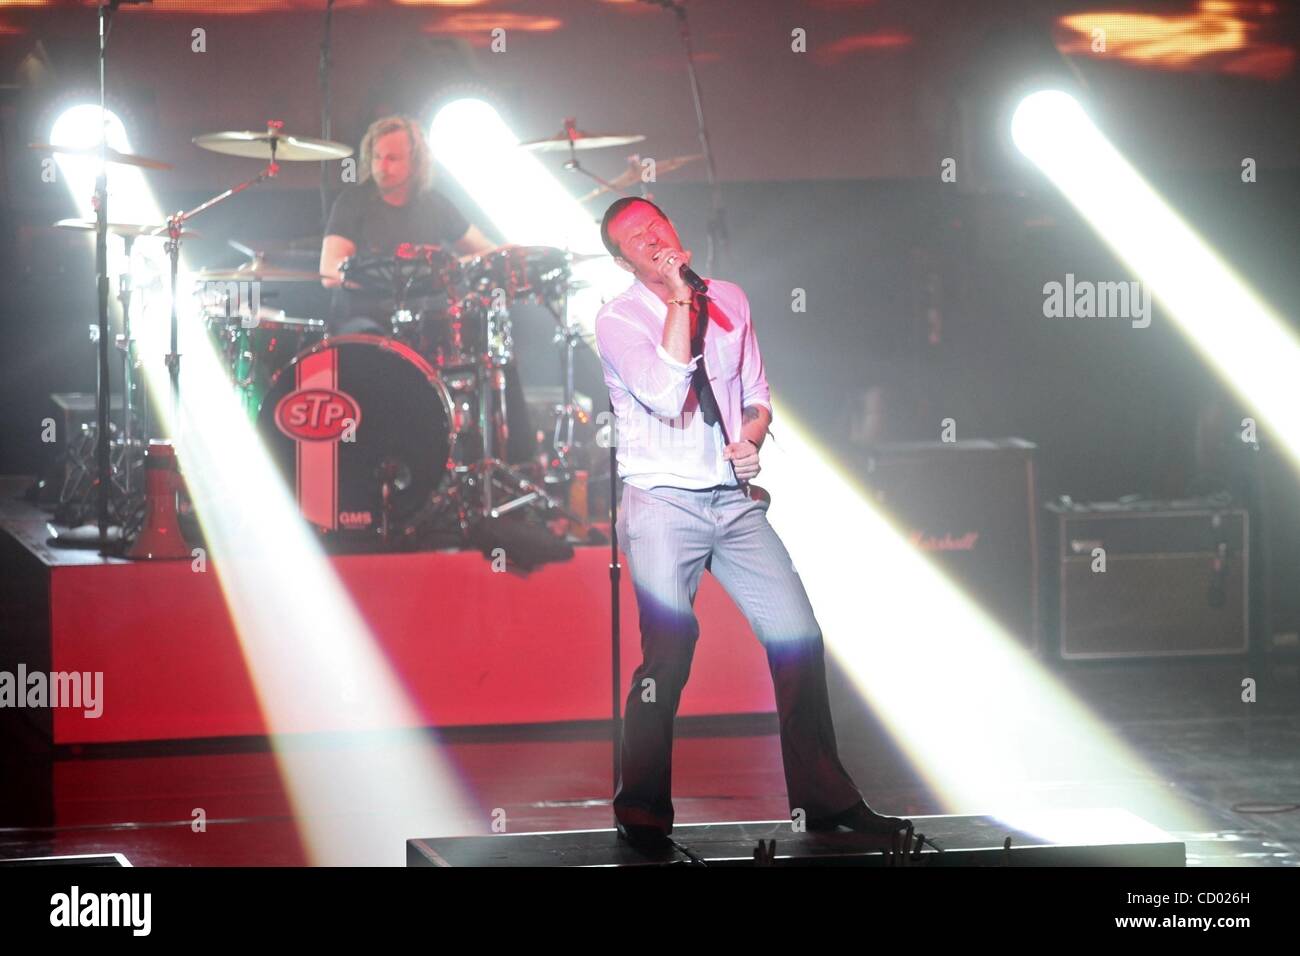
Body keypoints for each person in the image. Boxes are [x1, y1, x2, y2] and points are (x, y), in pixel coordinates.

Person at [595, 197, 912, 853]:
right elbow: (663, 391)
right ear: (621, 259)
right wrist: (681, 300)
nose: (651, 238)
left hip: (731, 502)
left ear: (674, 228)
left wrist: (751, 437)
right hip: (661, 504)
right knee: (667, 658)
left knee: (798, 635)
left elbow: (757, 394)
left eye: (657, 225)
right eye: (634, 238)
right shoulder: (617, 318)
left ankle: (824, 801)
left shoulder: (732, 299)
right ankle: (642, 809)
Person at [319, 114, 495, 333]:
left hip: (424, 324)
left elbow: (487, 252)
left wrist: (456, 268)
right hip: (362, 323)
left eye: (392, 158)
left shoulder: (435, 204)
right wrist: (377, 280)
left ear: (415, 163)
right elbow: (328, 270)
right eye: (376, 157)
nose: (381, 166)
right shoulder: (352, 202)